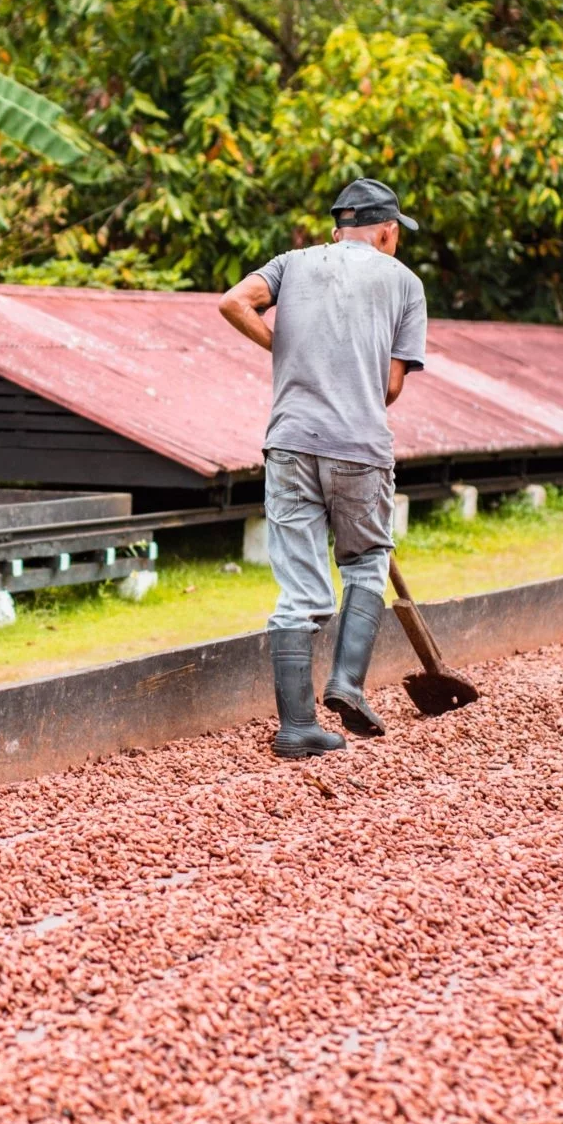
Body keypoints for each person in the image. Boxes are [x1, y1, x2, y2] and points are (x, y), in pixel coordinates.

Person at [217, 178, 428, 759]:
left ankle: (297, 727)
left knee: (299, 587)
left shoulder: (292, 263)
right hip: (358, 445)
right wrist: (350, 379)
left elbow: (233, 301)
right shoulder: (404, 283)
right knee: (365, 564)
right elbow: (389, 384)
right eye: (396, 235)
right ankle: (347, 684)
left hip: (287, 444)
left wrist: (287, 351)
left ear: (338, 230)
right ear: (386, 231)